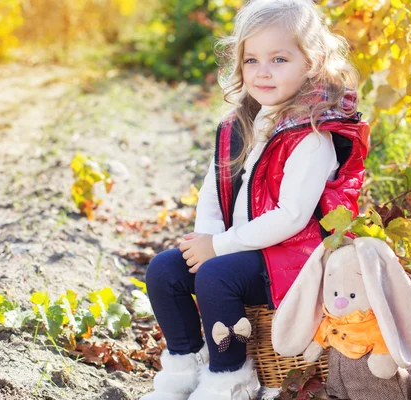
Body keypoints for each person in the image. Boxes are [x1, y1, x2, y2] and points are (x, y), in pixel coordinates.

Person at [141, 0, 370, 399]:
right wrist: (207, 240)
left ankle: (230, 377)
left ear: (312, 63)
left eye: (278, 59)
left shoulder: (314, 136)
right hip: (246, 247)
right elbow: (214, 190)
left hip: (294, 259)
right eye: (251, 60)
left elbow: (293, 216)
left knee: (216, 276)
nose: (262, 72)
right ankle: (185, 367)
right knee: (165, 270)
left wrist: (221, 248)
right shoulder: (242, 124)